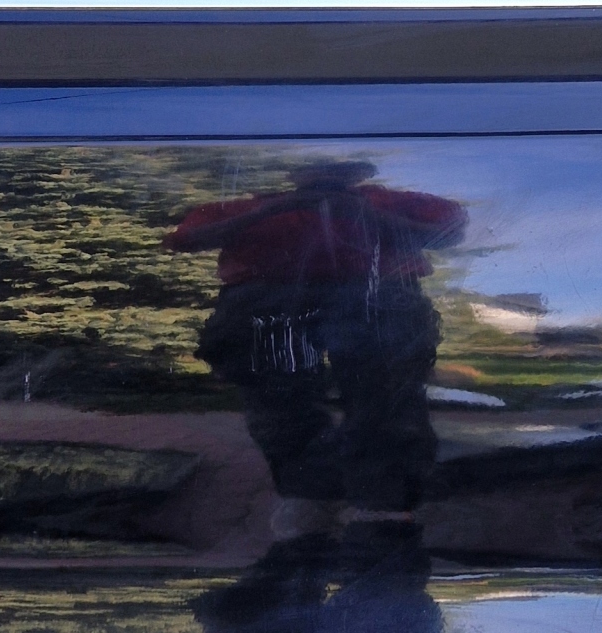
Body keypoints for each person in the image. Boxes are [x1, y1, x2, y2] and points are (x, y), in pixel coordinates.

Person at [166, 160, 467, 541]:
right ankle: (309, 498)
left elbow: (450, 232)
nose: (326, 177)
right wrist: (273, 210)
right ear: (293, 174)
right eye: (315, 169)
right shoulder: (251, 205)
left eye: (340, 170)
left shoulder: (391, 201)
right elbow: (186, 239)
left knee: (387, 401)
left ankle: (384, 507)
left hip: (379, 298)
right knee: (280, 404)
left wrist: (367, 216)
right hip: (266, 303)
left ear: (359, 174)